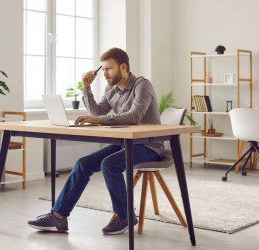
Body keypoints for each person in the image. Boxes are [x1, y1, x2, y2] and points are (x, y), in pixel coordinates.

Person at [28, 47, 164, 235]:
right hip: (124, 143)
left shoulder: (142, 85)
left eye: (108, 68)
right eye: (103, 69)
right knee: (83, 164)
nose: (105, 74)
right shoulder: (111, 90)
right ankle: (58, 217)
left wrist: (99, 120)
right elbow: (97, 112)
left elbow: (134, 116)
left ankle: (125, 216)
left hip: (149, 145)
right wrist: (86, 88)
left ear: (122, 66)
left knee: (109, 165)